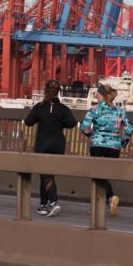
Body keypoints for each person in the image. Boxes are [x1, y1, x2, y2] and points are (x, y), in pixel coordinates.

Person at [24, 80, 78, 217]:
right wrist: (60, 124)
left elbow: (28, 122)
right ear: (58, 92)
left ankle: (53, 202)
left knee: (45, 174)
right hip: (58, 144)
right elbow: (72, 123)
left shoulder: (39, 107)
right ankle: (43, 205)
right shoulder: (63, 109)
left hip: (43, 144)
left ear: (45, 90)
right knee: (47, 174)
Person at [79, 83, 133, 217]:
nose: (96, 95)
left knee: (96, 175)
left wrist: (92, 135)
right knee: (104, 175)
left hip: (97, 145)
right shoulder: (120, 111)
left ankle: (103, 202)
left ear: (102, 95)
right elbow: (129, 128)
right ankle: (108, 200)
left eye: (97, 93)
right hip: (114, 147)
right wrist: (122, 142)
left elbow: (84, 127)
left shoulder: (94, 110)